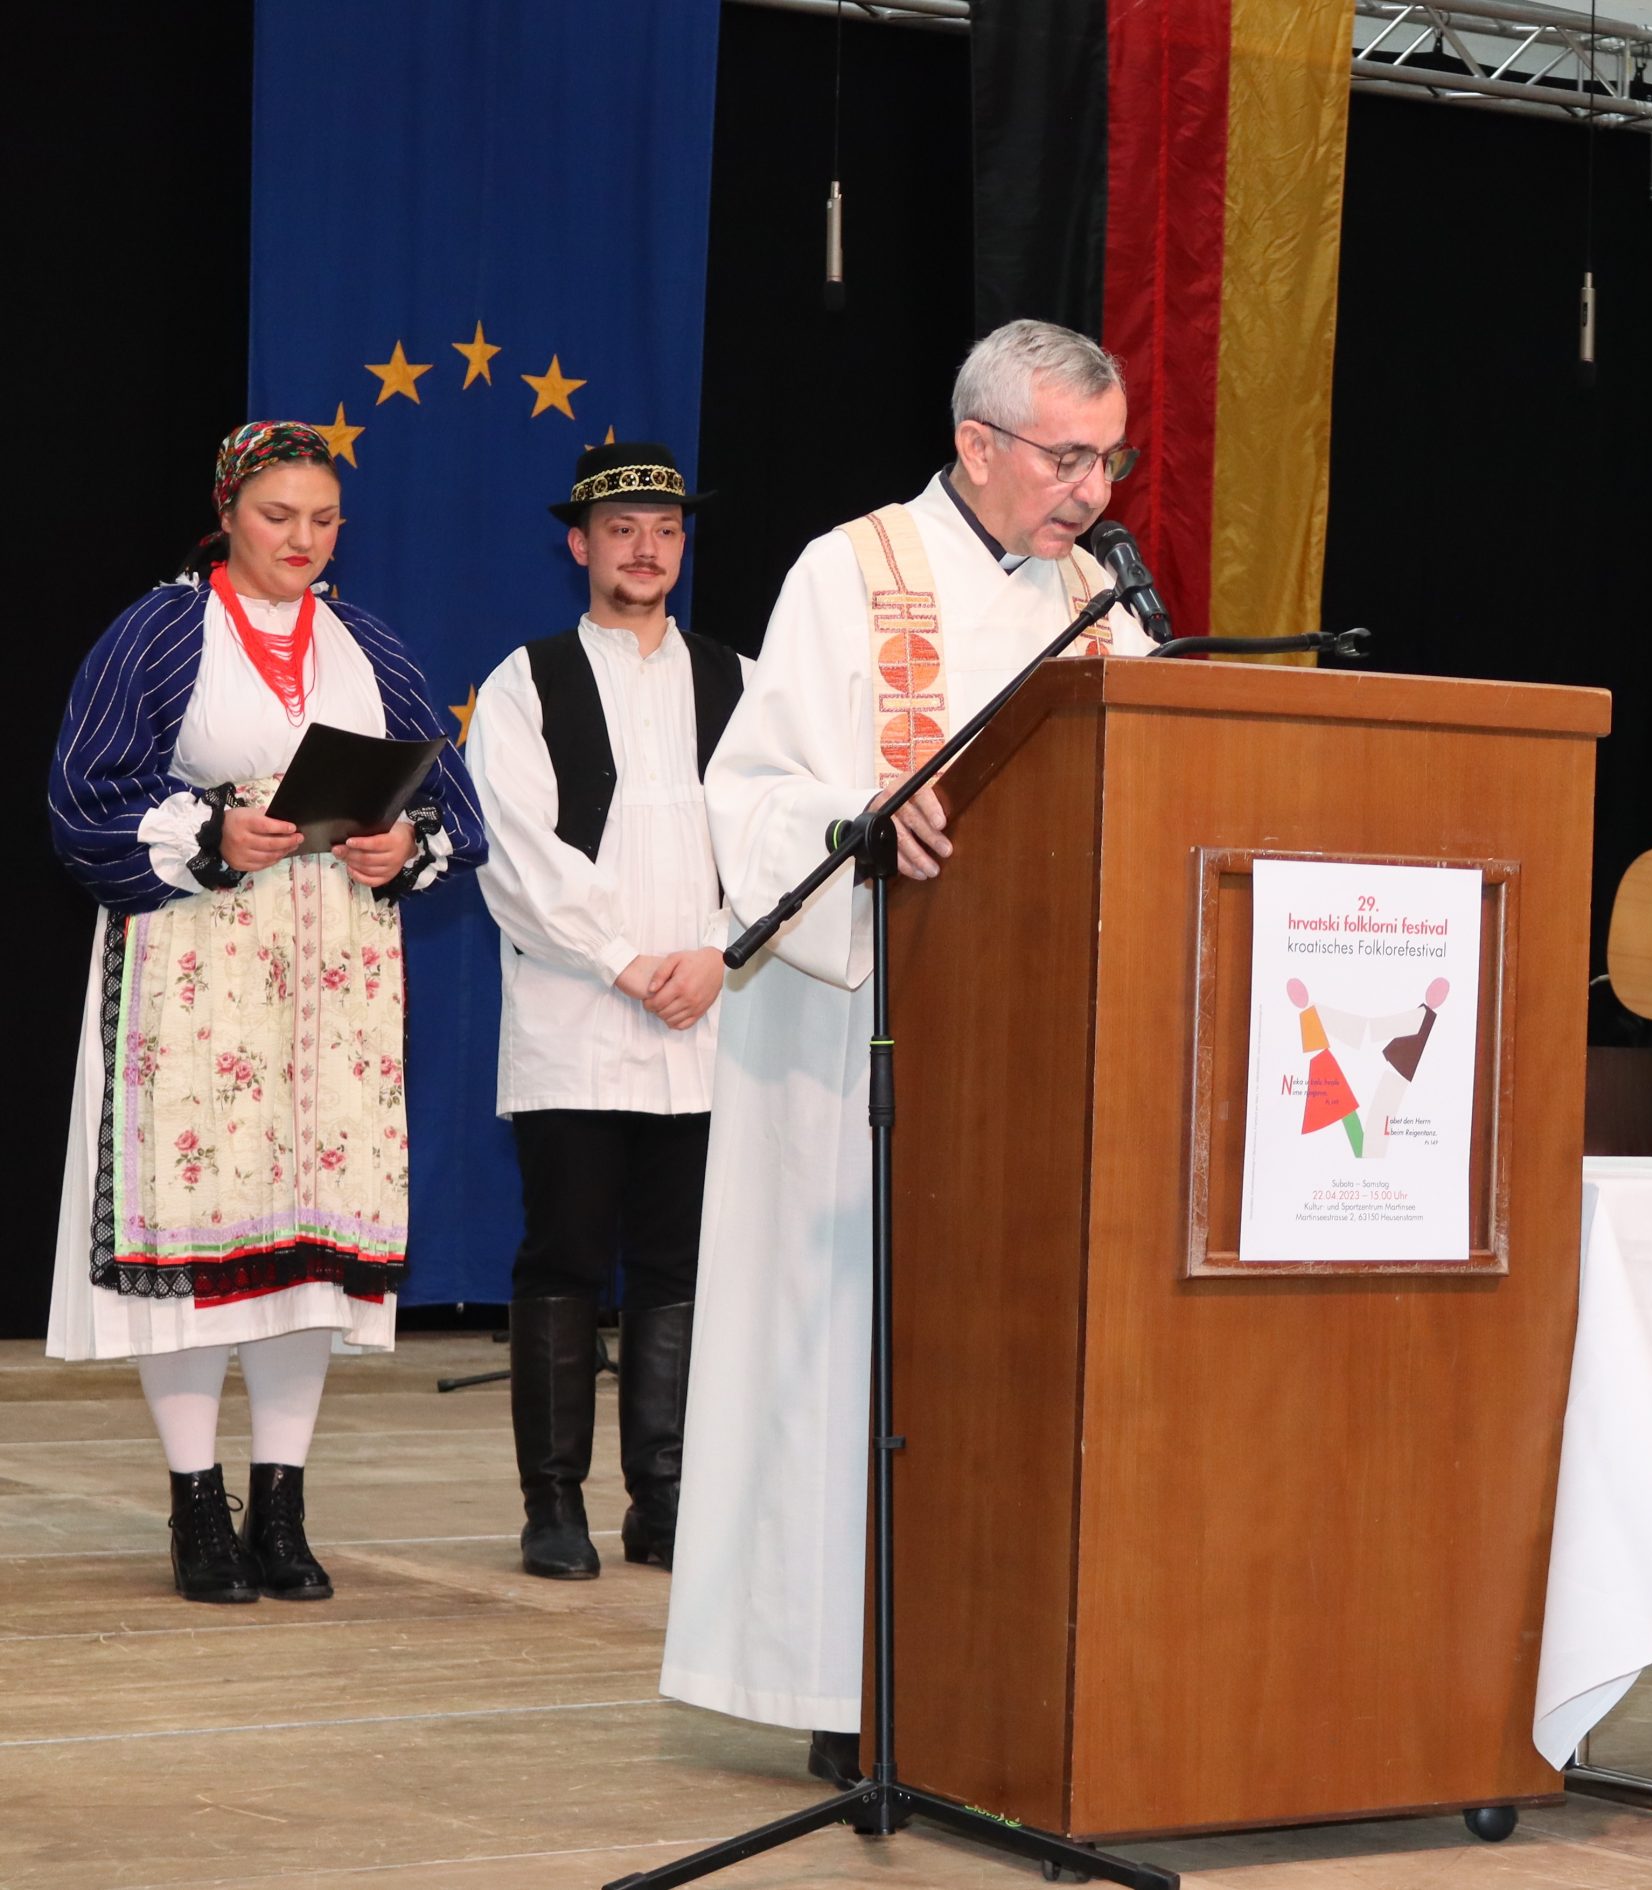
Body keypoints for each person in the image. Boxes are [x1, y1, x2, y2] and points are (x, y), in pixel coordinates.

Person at [662, 321, 1154, 1779]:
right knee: (852, 1363)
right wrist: (857, 823)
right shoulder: (854, 570)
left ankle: (992, 1667)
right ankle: (851, 1678)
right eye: (1069, 458)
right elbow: (749, 794)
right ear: (976, 443)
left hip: (1036, 1047)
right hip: (852, 1040)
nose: (1093, 490)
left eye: (1110, 460)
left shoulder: (1099, 602)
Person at [46, 420, 485, 1604]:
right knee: (203, 1222)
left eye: (324, 519)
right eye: (279, 515)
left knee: (308, 1239)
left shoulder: (366, 642)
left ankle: (281, 1505)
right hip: (199, 960)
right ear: (228, 513)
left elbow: (452, 803)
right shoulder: (160, 630)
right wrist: (212, 833)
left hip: (333, 974)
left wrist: (401, 846)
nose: (303, 538)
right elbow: (84, 796)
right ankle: (198, 1505)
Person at [464, 444, 745, 1581]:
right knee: (567, 1257)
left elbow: (777, 842)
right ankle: (554, 1505)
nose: (646, 548)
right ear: (580, 545)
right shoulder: (526, 682)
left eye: (665, 529)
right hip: (578, 1018)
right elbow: (515, 853)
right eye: (622, 528)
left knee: (678, 1266)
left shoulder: (742, 681)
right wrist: (627, 962)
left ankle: (663, 1502)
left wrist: (721, 952)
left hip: (707, 1020)